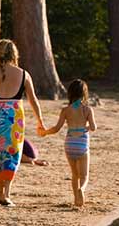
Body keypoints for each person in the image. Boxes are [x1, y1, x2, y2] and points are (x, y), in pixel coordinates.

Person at [0, 40, 47, 207]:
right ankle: (6, 194)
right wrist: (40, 120)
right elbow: (33, 100)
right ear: (15, 54)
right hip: (14, 119)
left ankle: (0, 193)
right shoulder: (24, 74)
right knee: (12, 154)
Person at [41, 79, 97, 208]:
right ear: (84, 94)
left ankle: (75, 199)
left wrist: (45, 132)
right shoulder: (87, 110)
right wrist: (88, 126)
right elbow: (93, 127)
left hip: (70, 144)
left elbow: (56, 128)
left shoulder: (66, 110)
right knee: (84, 175)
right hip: (82, 144)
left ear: (70, 93)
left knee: (74, 174)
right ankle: (81, 190)